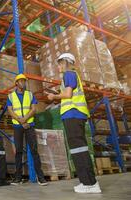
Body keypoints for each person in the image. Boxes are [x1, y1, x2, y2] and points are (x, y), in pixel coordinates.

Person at [46, 53, 101, 194]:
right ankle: (88, 181)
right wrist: (60, 94)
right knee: (79, 148)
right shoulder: (71, 76)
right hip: (76, 114)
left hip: (73, 114)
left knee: (78, 149)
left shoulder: (69, 74)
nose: (58, 66)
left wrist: (54, 96)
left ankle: (89, 183)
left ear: (65, 62)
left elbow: (68, 95)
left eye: (59, 63)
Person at [7, 74, 48, 186]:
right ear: (16, 83)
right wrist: (21, 121)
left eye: (24, 81)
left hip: (29, 125)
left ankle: (41, 178)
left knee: (34, 150)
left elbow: (34, 109)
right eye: (21, 81)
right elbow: (10, 111)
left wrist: (25, 120)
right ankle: (18, 178)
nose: (23, 83)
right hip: (17, 126)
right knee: (18, 152)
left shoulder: (30, 94)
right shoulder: (11, 96)